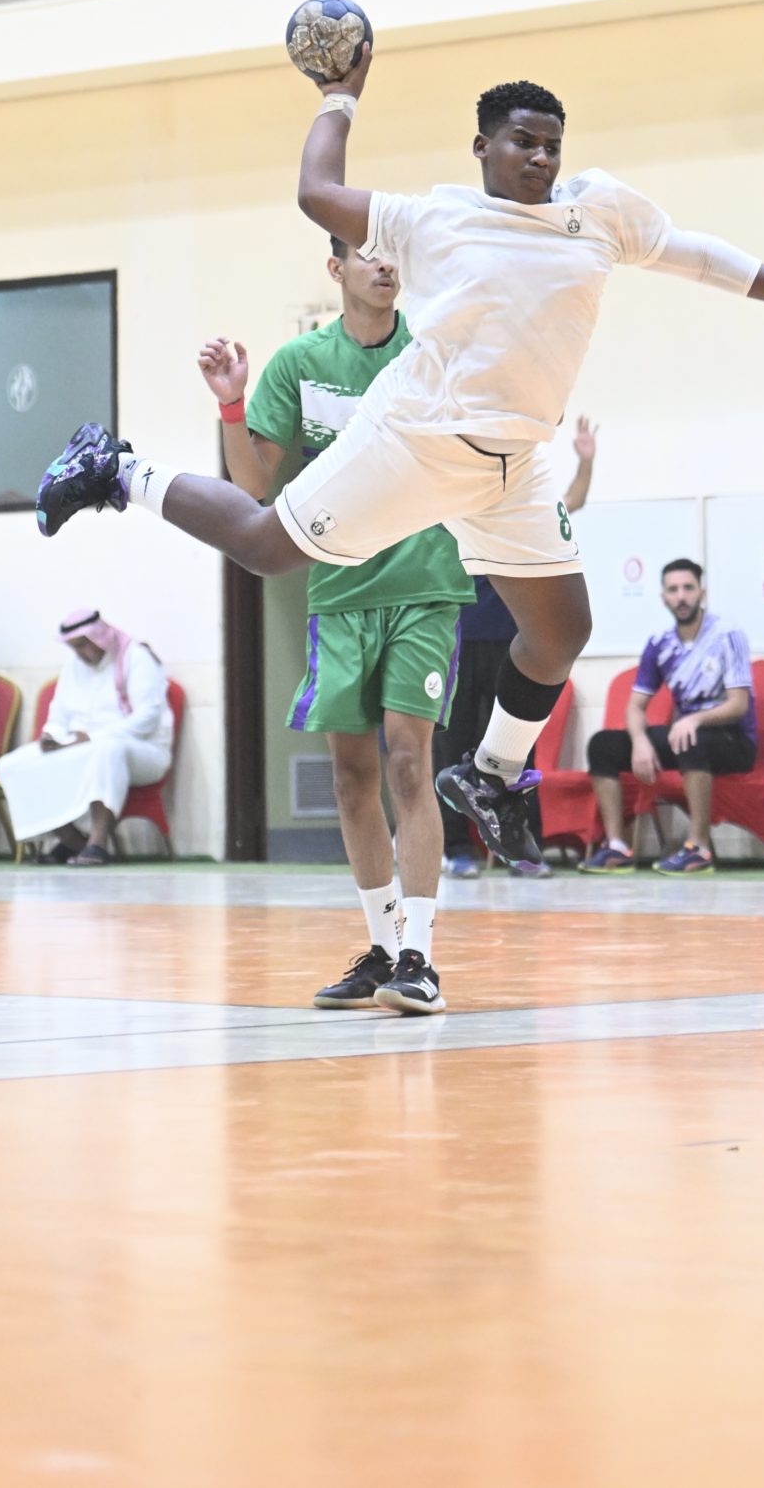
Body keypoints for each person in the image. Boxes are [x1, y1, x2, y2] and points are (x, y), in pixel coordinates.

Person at [33, 48, 764, 881]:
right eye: (523, 141)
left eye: (552, 143)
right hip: (416, 438)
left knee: (561, 631)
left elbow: (694, 252)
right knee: (265, 545)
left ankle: (490, 772)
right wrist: (338, 96)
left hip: (514, 461)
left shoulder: (600, 210)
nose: (541, 156)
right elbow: (317, 193)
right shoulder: (435, 220)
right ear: (483, 147)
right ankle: (117, 470)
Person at [200, 236, 475, 1014]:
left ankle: (420, 955)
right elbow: (253, 482)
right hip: (339, 590)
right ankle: (383, 947)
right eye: (367, 254)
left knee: (409, 761)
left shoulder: (432, 349)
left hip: (424, 584)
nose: (385, 266)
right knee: (351, 775)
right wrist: (231, 402)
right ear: (336, 269)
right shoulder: (300, 363)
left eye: (393, 255)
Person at [437, 416, 597, 878]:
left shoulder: (511, 508)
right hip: (454, 640)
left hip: (510, 641)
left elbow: (573, 500)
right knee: (450, 747)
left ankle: (523, 849)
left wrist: (586, 461)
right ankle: (457, 851)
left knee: (515, 748)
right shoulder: (441, 510)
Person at [581, 559, 756, 874]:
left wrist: (694, 719)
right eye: (673, 590)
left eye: (688, 588)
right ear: (664, 597)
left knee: (689, 738)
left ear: (702, 592)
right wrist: (639, 742)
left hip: (734, 740)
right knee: (603, 745)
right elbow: (635, 706)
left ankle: (698, 847)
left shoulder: (727, 634)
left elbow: (739, 704)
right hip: (687, 735)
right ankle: (617, 845)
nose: (681, 596)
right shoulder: (659, 643)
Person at [0, 610, 173, 865]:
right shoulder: (74, 665)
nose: (78, 653)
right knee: (10, 765)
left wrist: (91, 738)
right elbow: (59, 714)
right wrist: (52, 736)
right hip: (81, 746)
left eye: (81, 645)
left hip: (143, 750)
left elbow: (147, 719)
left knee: (107, 750)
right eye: (73, 647)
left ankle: (97, 843)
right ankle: (72, 841)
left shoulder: (136, 657)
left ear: (99, 637)